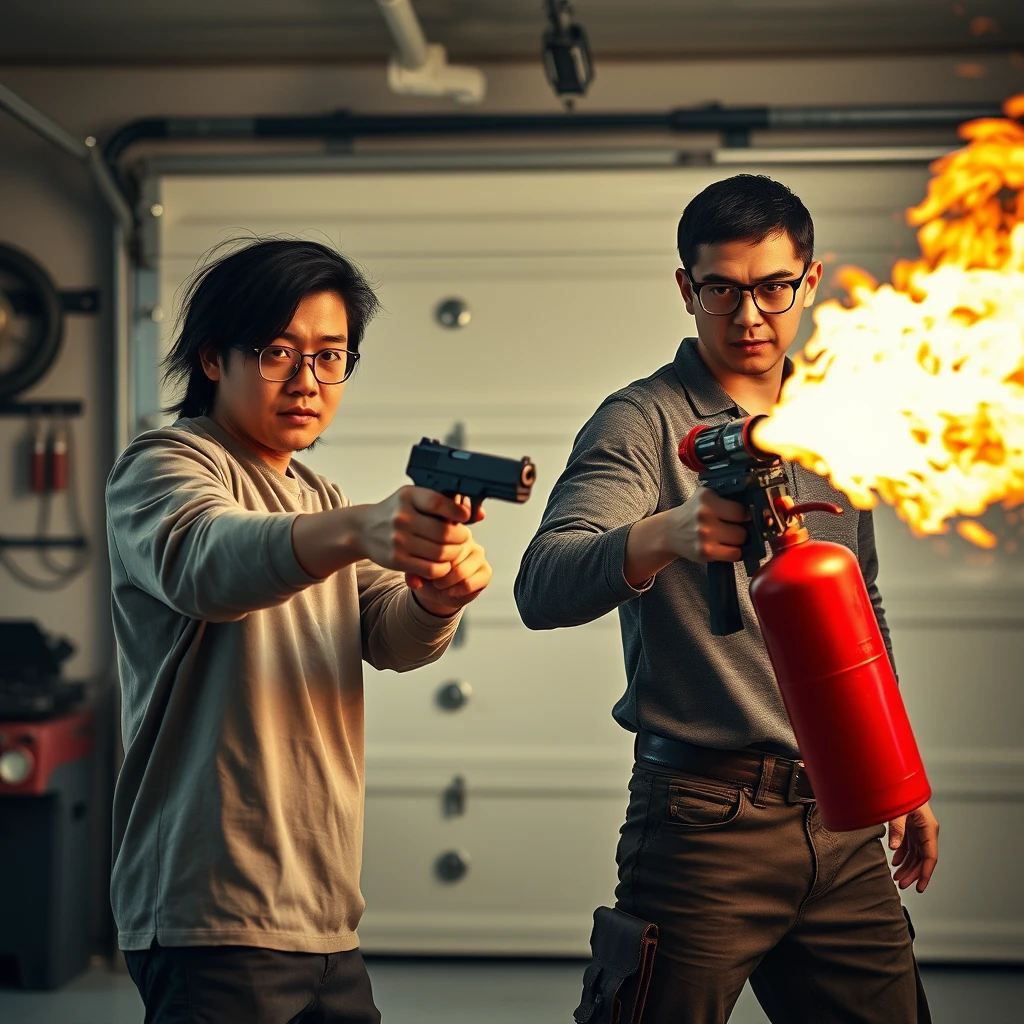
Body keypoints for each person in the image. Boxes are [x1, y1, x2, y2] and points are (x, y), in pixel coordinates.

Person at [514, 174, 938, 1024]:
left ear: (809, 282)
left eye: (774, 288)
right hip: (703, 823)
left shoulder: (835, 417)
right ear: (687, 289)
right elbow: (542, 583)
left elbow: (865, 607)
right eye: (722, 290)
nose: (750, 316)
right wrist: (664, 534)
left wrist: (899, 774)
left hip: (845, 818)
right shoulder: (639, 422)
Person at [106, 238, 492, 1023]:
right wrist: (358, 529)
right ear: (214, 358)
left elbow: (389, 637)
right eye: (279, 352)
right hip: (211, 906)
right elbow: (208, 561)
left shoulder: (321, 493)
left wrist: (438, 596)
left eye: (330, 356)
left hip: (322, 911)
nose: (308, 381)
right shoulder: (165, 464)